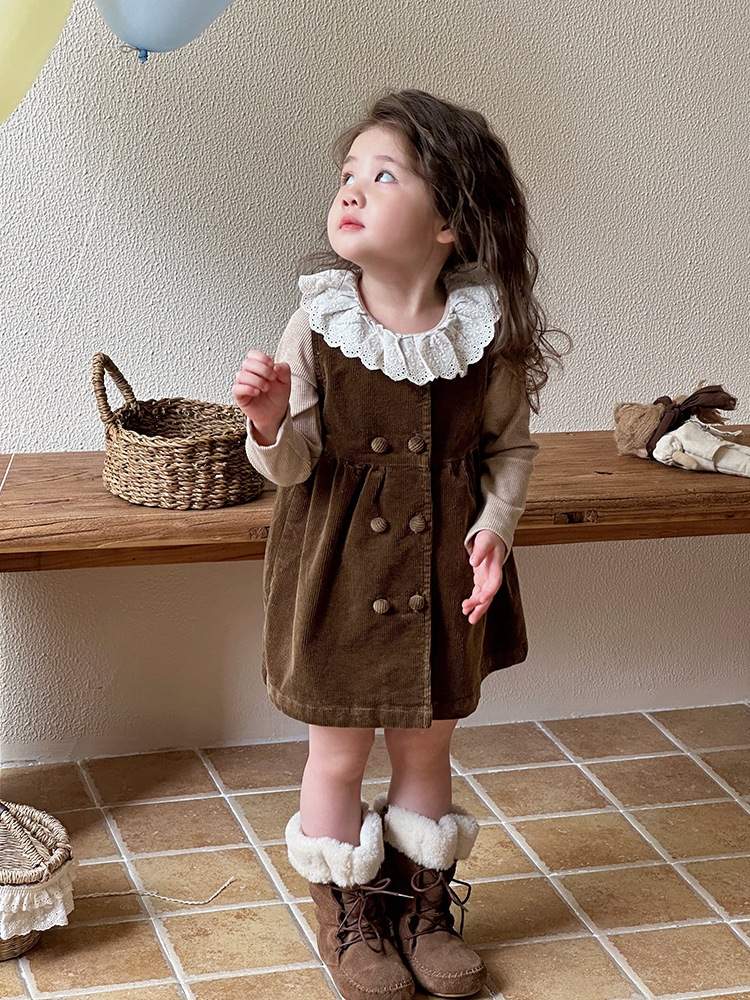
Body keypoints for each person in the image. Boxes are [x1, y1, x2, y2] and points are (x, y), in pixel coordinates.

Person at [232, 88, 567, 1000]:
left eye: (384, 176)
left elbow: (510, 451)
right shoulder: (318, 322)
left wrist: (494, 529)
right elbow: (293, 468)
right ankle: (350, 916)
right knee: (338, 754)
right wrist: (269, 421)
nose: (352, 189)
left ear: (449, 221)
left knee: (425, 749)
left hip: (443, 577)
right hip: (338, 577)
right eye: (349, 174)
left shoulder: (483, 335)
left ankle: (421, 911)